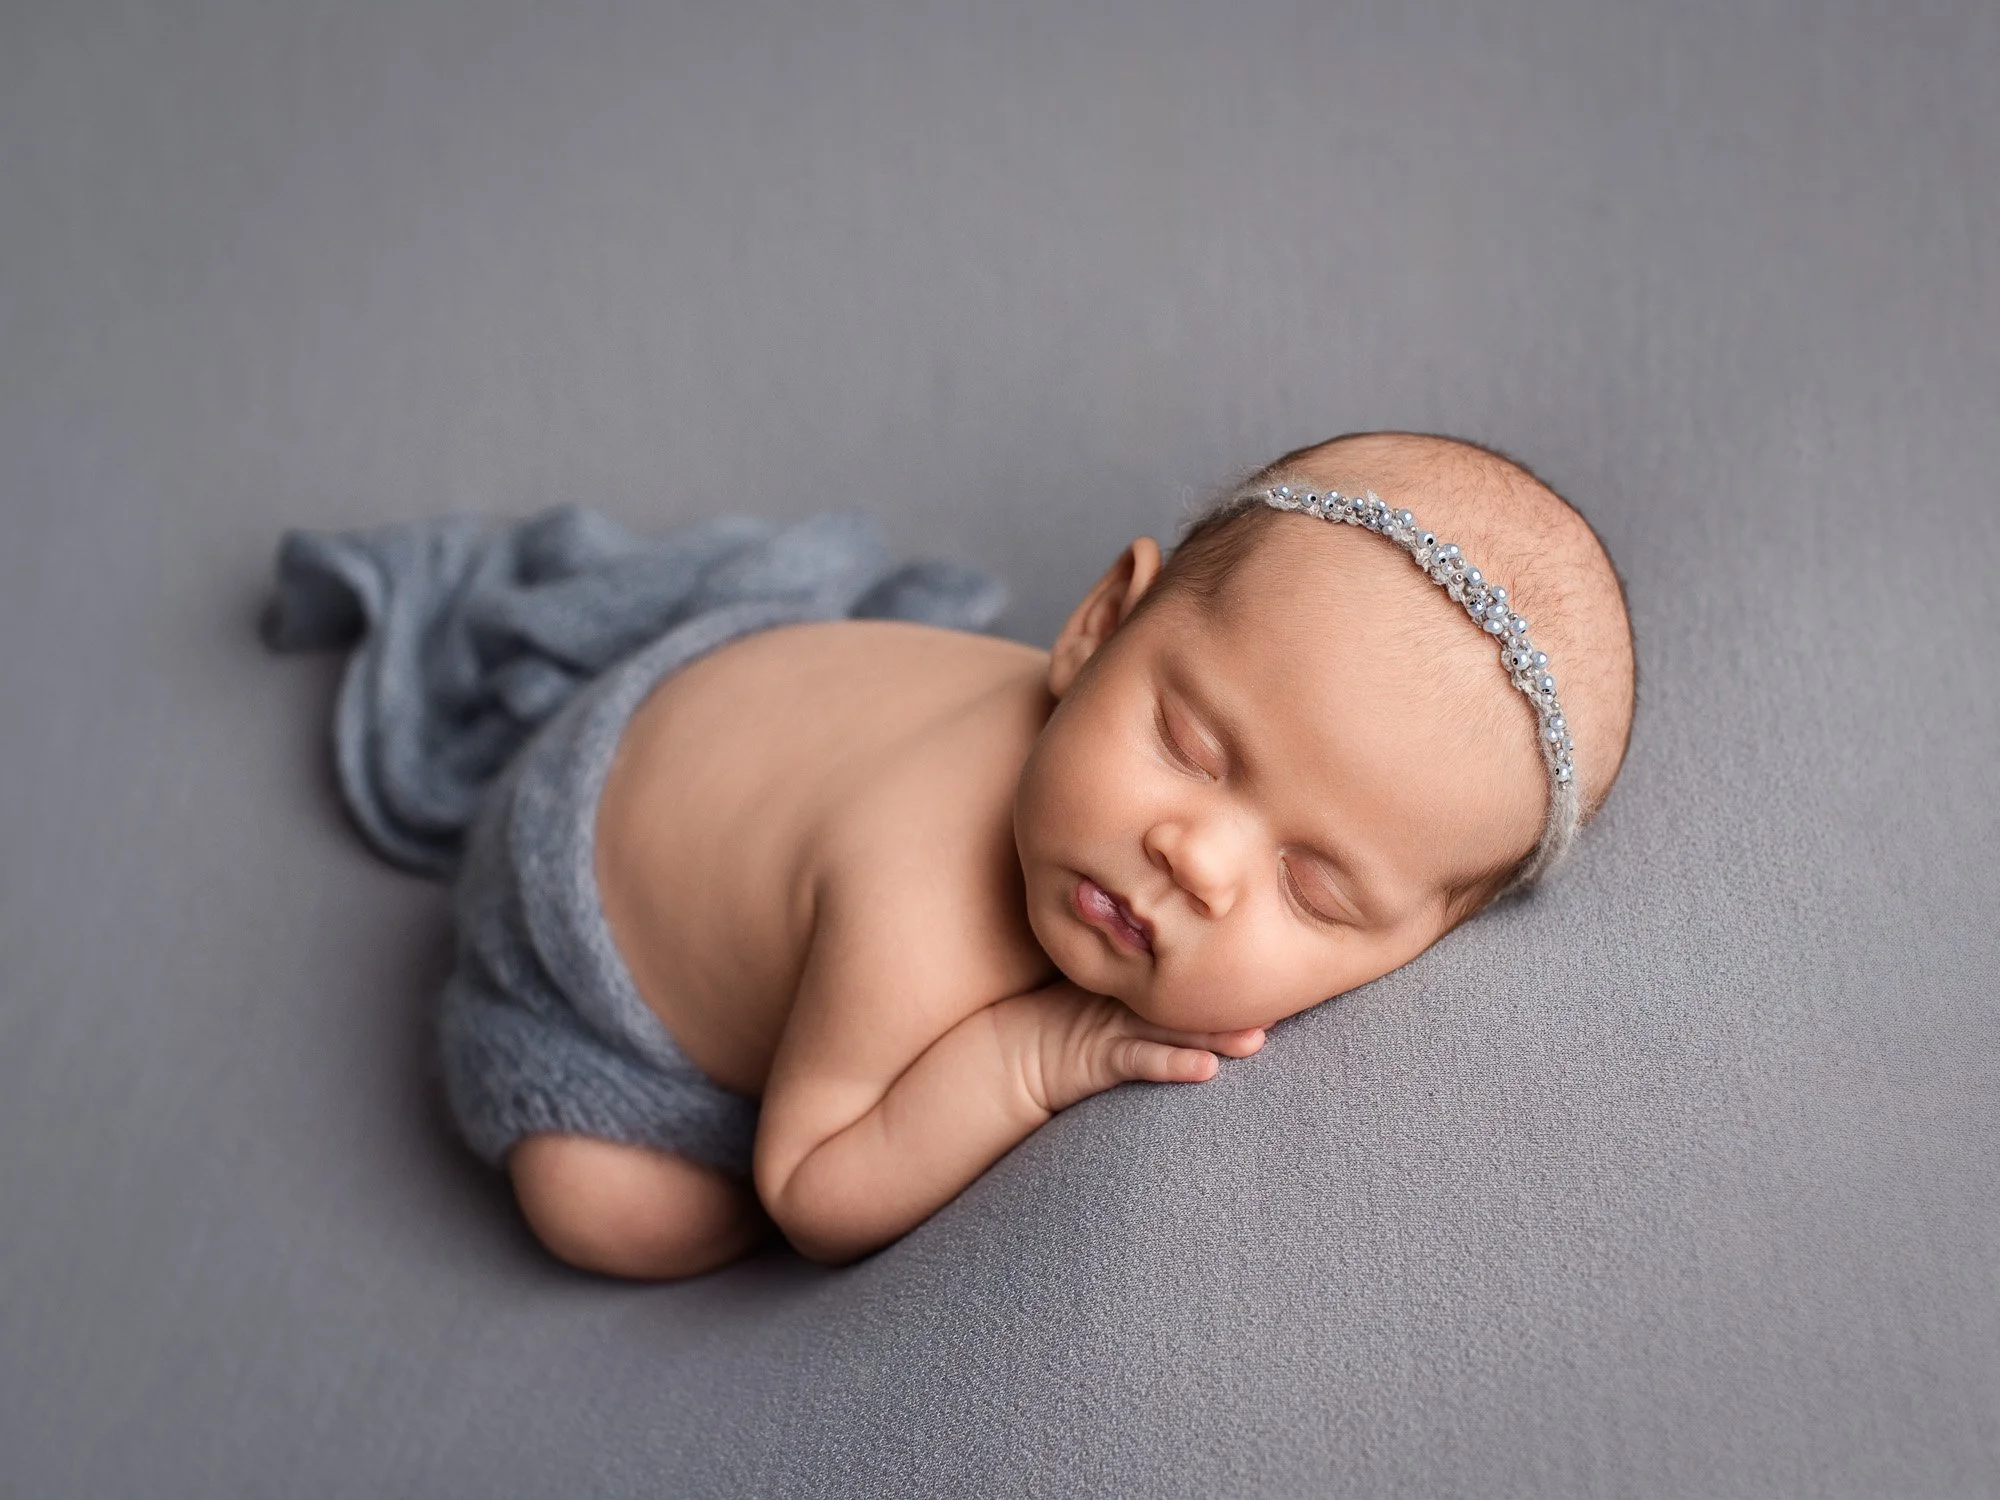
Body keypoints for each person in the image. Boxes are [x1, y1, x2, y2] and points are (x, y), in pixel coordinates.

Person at [444, 429, 1638, 1279]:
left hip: (766, 717)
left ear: (1415, 947)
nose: (1195, 861)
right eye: (1187, 745)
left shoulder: (1100, 782)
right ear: (1098, 626)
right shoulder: (916, 902)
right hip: (580, 876)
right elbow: (808, 1190)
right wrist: (1035, 1055)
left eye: (1310, 888)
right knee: (613, 1215)